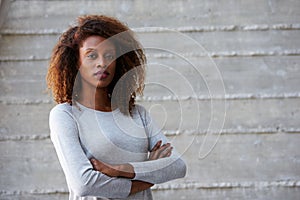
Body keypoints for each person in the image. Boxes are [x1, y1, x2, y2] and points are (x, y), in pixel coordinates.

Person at [47, 15, 186, 200]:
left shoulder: (137, 114)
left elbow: (177, 166)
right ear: (76, 62)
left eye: (109, 55)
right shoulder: (65, 115)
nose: (102, 63)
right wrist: (147, 179)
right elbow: (84, 184)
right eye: (92, 55)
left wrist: (120, 170)